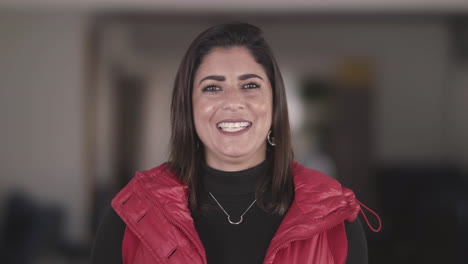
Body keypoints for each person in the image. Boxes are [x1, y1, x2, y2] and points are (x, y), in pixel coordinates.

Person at [91, 22, 380, 264]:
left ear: (275, 104)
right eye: (212, 87)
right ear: (188, 107)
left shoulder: (335, 218)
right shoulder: (132, 213)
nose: (232, 102)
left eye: (250, 85)